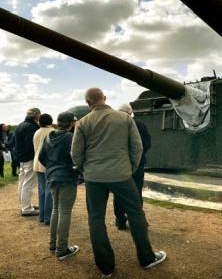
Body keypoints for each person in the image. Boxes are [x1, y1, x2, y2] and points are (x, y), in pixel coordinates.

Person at [71, 88, 166, 277]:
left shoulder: (82, 122)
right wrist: (130, 168)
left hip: (94, 177)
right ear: (105, 98)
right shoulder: (124, 119)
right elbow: (137, 147)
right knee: (136, 213)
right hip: (121, 175)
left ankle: (105, 267)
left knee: (96, 219)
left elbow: (75, 153)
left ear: (88, 103)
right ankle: (146, 258)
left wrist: (84, 169)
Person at [37, 112, 80, 261]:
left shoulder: (49, 136)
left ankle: (53, 244)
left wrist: (52, 167)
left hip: (52, 176)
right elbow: (78, 157)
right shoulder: (70, 137)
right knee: (65, 212)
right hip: (66, 177)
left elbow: (42, 157)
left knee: (56, 209)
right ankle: (61, 249)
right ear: (71, 123)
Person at [113, 103, 151, 231]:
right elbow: (146, 145)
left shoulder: (114, 126)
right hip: (137, 164)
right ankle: (138, 220)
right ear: (131, 113)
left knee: (119, 193)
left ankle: (120, 220)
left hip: (119, 165)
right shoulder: (140, 125)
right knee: (136, 192)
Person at [14, 107, 40, 216]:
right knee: (28, 183)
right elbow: (31, 144)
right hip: (29, 157)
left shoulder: (20, 125)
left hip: (21, 157)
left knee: (23, 181)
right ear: (36, 116)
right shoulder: (32, 127)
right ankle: (26, 208)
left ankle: (25, 204)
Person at [33, 114, 54, 225]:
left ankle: (42, 216)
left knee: (42, 191)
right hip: (48, 164)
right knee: (49, 192)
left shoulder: (37, 131)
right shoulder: (52, 132)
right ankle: (48, 217)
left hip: (37, 162)